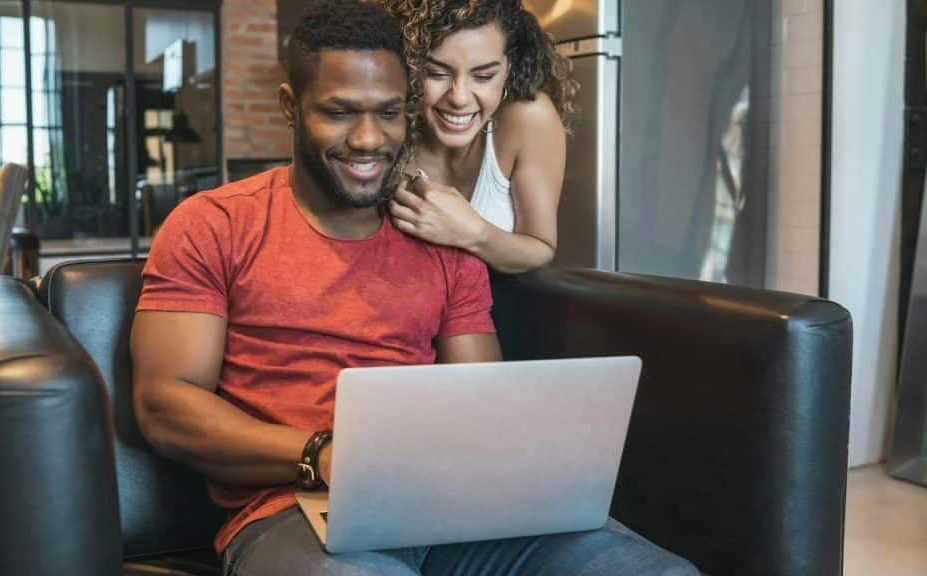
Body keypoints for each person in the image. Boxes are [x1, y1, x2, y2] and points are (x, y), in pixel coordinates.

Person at [131, 1, 699, 574]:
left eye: (387, 113)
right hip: (293, 511)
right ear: (290, 107)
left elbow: (481, 400)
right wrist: (323, 454)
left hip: (456, 509)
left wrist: (537, 464)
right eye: (339, 112)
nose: (367, 138)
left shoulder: (445, 240)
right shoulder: (215, 224)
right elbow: (165, 406)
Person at [378, 0, 576, 273]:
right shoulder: (381, 121)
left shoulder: (528, 118)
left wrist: (471, 232)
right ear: (408, 66)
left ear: (508, 68)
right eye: (435, 73)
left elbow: (540, 248)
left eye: (483, 76)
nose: (459, 98)